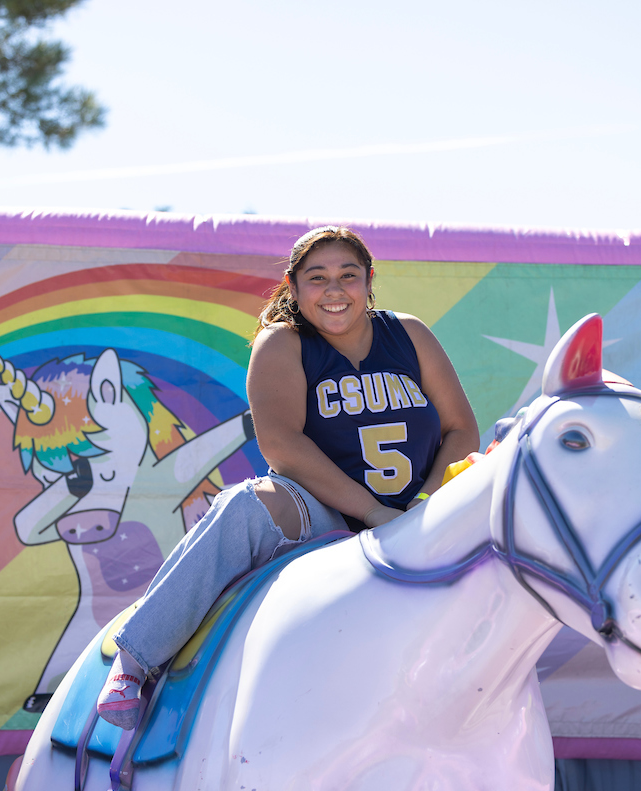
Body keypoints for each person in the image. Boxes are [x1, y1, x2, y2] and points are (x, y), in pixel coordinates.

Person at [97, 226, 480, 729]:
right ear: (294, 287)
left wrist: (426, 499)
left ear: (369, 280)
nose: (334, 289)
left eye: (348, 275)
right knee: (247, 504)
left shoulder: (408, 334)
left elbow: (462, 429)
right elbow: (282, 446)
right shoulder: (283, 344)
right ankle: (136, 657)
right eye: (317, 278)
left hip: (418, 509)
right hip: (327, 512)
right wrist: (372, 512)